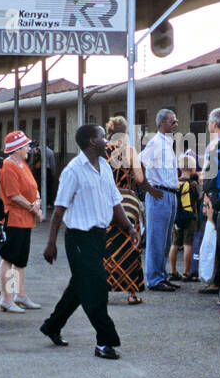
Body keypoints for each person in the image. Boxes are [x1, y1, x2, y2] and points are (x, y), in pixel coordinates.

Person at [40, 124, 141, 359]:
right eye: (103, 137)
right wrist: (51, 243)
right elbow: (59, 210)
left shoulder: (104, 167)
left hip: (98, 237)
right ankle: (105, 342)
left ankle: (52, 326)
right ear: (91, 142)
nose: (107, 141)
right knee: (96, 289)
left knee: (79, 288)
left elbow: (115, 202)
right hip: (78, 238)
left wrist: (129, 228)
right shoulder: (73, 171)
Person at [0, 130, 44, 314]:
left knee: (20, 260)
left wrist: (38, 201)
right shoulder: (8, 166)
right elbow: (13, 195)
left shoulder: (23, 164)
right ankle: (6, 298)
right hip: (13, 218)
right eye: (26, 145)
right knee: (9, 258)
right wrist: (33, 207)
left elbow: (34, 187)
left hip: (25, 220)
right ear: (16, 149)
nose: (29, 149)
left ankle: (20, 295)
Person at [104, 116, 145, 305]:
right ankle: (131, 293)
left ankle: (104, 289)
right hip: (126, 204)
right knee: (130, 246)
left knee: (107, 247)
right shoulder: (129, 151)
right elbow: (139, 177)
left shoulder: (102, 152)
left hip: (106, 204)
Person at [139, 108, 180, 292]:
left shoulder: (167, 143)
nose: (175, 124)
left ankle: (161, 275)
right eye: (172, 121)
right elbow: (138, 163)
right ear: (162, 123)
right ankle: (154, 278)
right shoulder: (155, 143)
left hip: (170, 194)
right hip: (160, 194)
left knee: (166, 239)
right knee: (157, 238)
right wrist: (148, 188)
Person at [198, 108, 220, 298]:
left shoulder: (213, 146)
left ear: (213, 124)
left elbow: (208, 176)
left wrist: (206, 200)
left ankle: (218, 284)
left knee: (217, 243)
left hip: (215, 198)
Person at [168, 152, 200, 282]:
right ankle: (187, 272)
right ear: (193, 169)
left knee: (175, 244)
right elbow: (198, 197)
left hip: (177, 216)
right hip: (190, 217)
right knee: (188, 244)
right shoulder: (193, 184)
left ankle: (173, 270)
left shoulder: (174, 182)